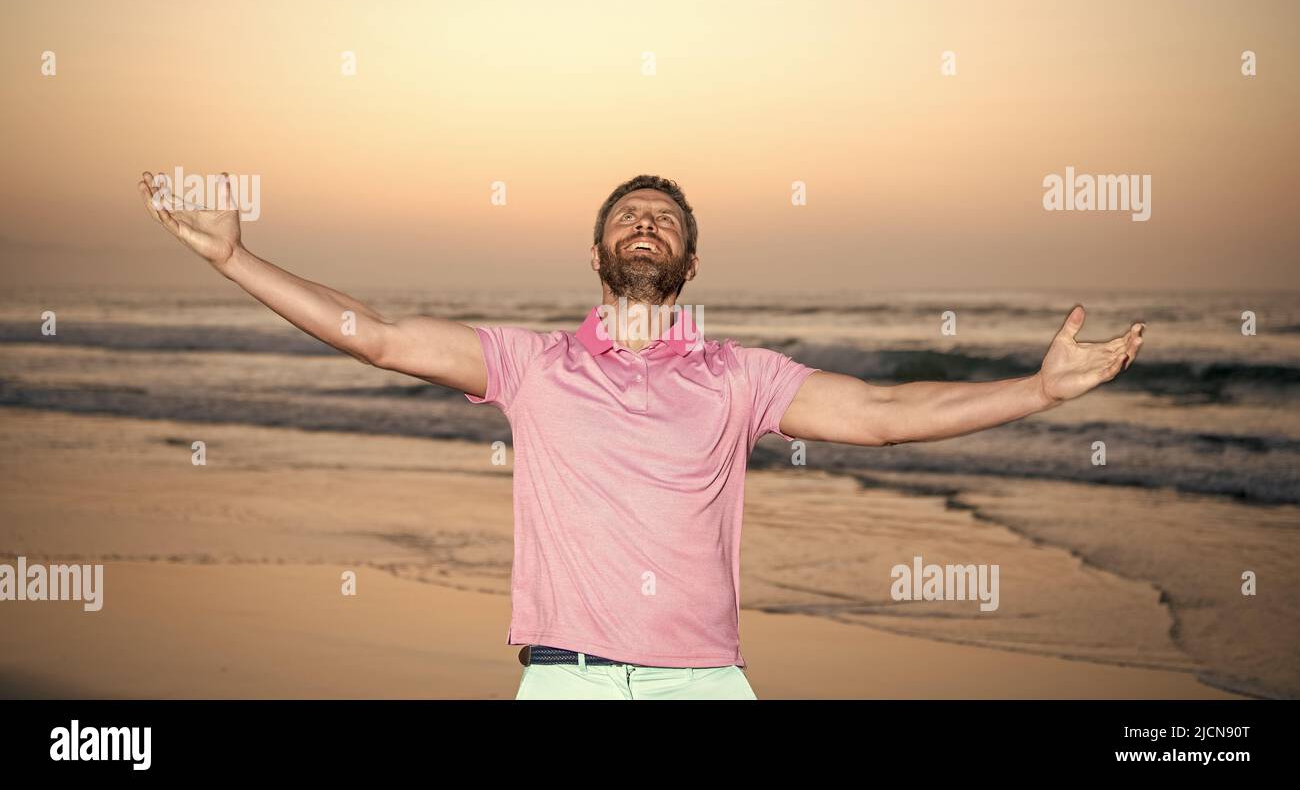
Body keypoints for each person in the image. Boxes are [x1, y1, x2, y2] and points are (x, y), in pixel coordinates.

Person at [136, 172, 1145, 700]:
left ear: (690, 262)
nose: (647, 223)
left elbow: (881, 417)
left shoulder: (740, 376)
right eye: (629, 213)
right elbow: (381, 337)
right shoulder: (532, 366)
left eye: (665, 218)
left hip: (702, 683)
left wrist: (1037, 391)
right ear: (597, 250)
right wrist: (237, 260)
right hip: (562, 678)